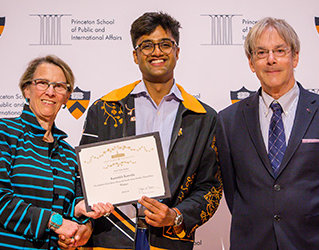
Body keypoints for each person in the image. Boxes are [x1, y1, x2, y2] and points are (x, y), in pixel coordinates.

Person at [60, 11, 222, 250]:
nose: (157, 52)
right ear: (135, 56)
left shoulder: (203, 117)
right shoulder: (104, 109)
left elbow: (210, 186)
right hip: (109, 237)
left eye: (165, 44)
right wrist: (83, 222)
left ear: (177, 52)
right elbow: (82, 179)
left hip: (169, 241)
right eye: (147, 45)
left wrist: (176, 215)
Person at [216, 17, 319, 250]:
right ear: (251, 62)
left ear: (295, 56)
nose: (271, 59)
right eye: (261, 53)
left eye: (280, 50)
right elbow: (233, 192)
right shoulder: (228, 120)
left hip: (318, 243)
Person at [0, 55, 95, 249]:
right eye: (42, 83)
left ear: (67, 97)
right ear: (27, 90)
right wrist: (56, 223)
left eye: (59, 86)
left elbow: (68, 206)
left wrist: (81, 214)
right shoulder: (2, 130)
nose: (50, 92)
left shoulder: (69, 154)